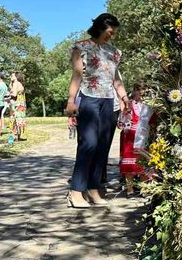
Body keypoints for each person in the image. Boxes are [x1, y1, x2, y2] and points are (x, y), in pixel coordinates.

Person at [65, 13, 129, 208]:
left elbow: (116, 79)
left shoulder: (114, 52)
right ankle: (76, 191)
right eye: (110, 31)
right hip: (88, 99)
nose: (112, 35)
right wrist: (70, 101)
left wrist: (124, 97)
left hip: (109, 101)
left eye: (114, 33)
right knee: (89, 144)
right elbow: (77, 74)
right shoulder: (81, 47)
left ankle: (94, 190)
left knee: (102, 146)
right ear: (101, 27)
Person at [118, 81, 151, 197]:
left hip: (144, 136)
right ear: (134, 91)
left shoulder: (150, 105)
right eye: (138, 89)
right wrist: (125, 116)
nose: (141, 92)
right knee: (129, 165)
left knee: (143, 163)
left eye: (144, 90)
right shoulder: (130, 104)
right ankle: (129, 188)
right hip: (131, 136)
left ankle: (144, 188)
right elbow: (122, 121)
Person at [9, 72, 27, 141]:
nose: (10, 76)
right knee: (19, 119)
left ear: (16, 77)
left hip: (16, 104)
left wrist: (7, 96)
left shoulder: (16, 83)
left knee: (14, 119)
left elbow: (14, 94)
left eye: (12, 75)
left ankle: (13, 137)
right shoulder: (20, 84)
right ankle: (18, 137)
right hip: (21, 104)